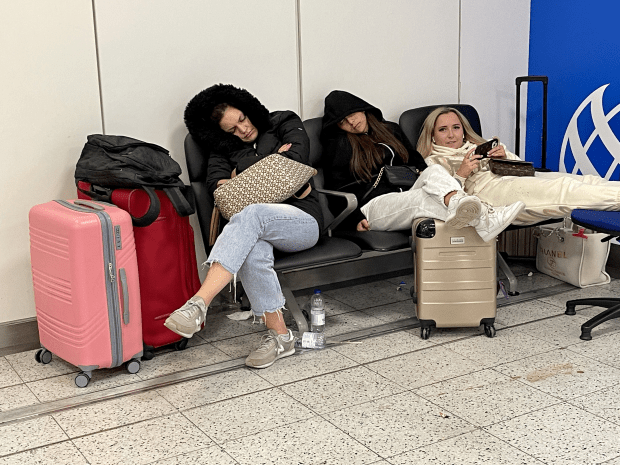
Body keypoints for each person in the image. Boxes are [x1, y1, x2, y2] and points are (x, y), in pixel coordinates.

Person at [165, 84, 323, 369]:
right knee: (252, 246)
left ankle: (200, 302)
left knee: (251, 213)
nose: (242, 130)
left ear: (248, 109)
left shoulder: (284, 121)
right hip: (259, 227)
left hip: (302, 220)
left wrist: (241, 176)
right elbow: (220, 191)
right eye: (232, 130)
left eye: (242, 119)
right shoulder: (222, 151)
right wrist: (273, 164)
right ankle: (280, 337)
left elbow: (296, 161)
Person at [320, 90, 524, 240]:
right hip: (374, 205)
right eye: (343, 122)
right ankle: (486, 218)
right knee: (422, 200)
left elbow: (416, 162)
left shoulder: (389, 130)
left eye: (352, 114)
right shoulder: (339, 145)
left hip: (405, 192)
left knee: (433, 170)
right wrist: (353, 219)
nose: (352, 122)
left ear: (362, 109)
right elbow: (336, 187)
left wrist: (429, 181)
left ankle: (466, 208)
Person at [418, 106, 620, 225]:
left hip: (514, 178)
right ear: (433, 135)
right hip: (489, 193)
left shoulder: (477, 146)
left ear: (464, 129)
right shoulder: (433, 162)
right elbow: (445, 199)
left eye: (456, 127)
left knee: (583, 180)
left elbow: (525, 169)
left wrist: (506, 158)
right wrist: (462, 173)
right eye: (443, 130)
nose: (451, 134)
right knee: (564, 190)